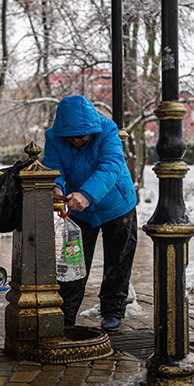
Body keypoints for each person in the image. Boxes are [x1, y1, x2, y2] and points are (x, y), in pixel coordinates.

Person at [41, 95, 138, 332]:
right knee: (72, 262)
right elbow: (55, 167)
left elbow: (112, 165)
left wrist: (86, 194)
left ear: (91, 130)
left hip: (117, 205)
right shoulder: (54, 137)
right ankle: (66, 314)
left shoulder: (107, 131)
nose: (75, 141)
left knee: (118, 261)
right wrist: (57, 187)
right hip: (78, 211)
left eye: (81, 137)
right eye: (70, 137)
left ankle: (113, 311)